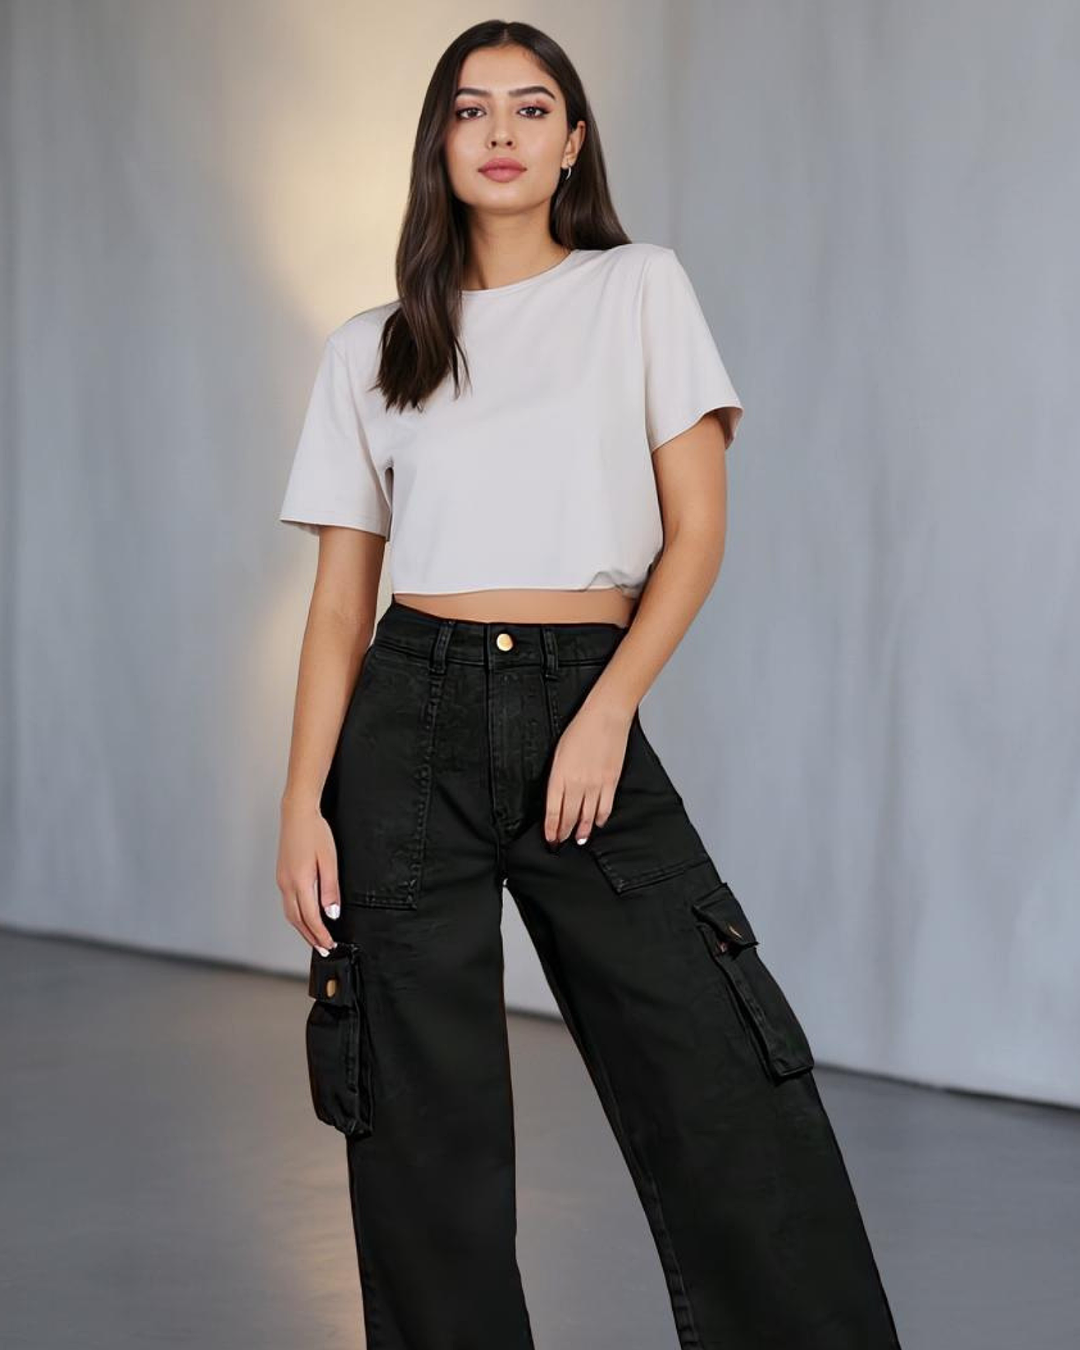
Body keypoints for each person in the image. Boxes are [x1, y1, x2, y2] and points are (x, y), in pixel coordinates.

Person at [275, 18, 904, 1350]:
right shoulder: (371, 349)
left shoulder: (639, 290)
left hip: (580, 693)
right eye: (471, 109)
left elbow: (699, 530)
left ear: (571, 143)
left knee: (718, 1064)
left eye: (533, 107)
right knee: (418, 1120)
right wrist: (299, 803)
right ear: (439, 144)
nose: (501, 132)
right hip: (405, 723)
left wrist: (609, 703)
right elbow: (341, 603)